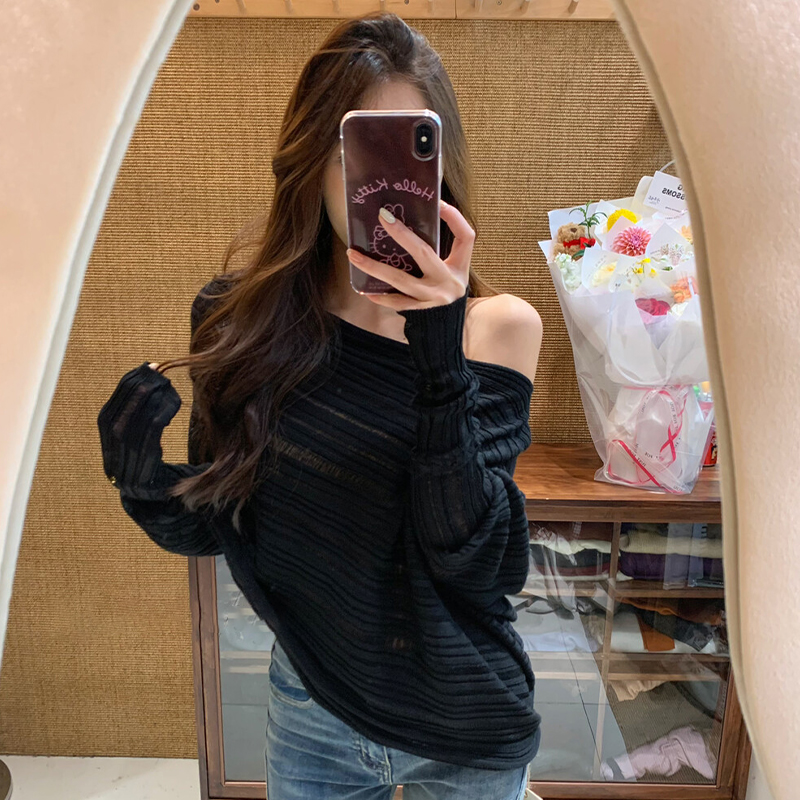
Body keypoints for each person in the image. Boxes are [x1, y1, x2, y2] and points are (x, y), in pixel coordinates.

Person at [97, 11, 543, 800]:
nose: (380, 187)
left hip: (466, 726)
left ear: (439, 166)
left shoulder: (496, 329)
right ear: (311, 161)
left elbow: (477, 562)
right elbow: (217, 525)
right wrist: (140, 479)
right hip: (313, 710)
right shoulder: (238, 320)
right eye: (355, 152)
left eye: (406, 152)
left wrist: (438, 352)